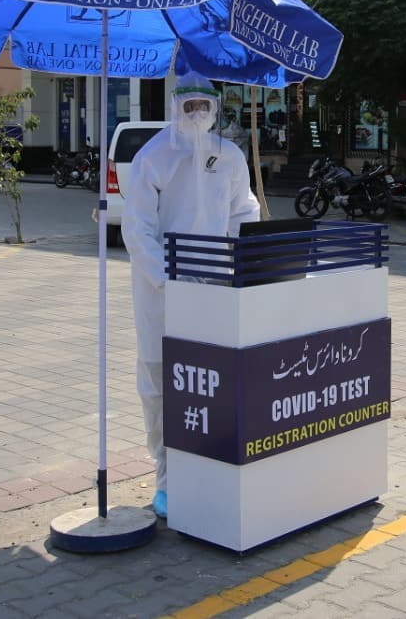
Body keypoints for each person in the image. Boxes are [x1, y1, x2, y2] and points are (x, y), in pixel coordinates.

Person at [121, 71, 260, 518]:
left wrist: (241, 262)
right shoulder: (153, 156)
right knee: (160, 383)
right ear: (174, 105)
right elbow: (137, 229)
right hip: (161, 294)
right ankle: (166, 478)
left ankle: (210, 466)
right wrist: (168, 278)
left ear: (216, 107)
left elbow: (244, 212)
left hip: (215, 290)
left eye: (205, 105)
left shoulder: (230, 156)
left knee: (211, 380)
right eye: (189, 105)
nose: (197, 114)